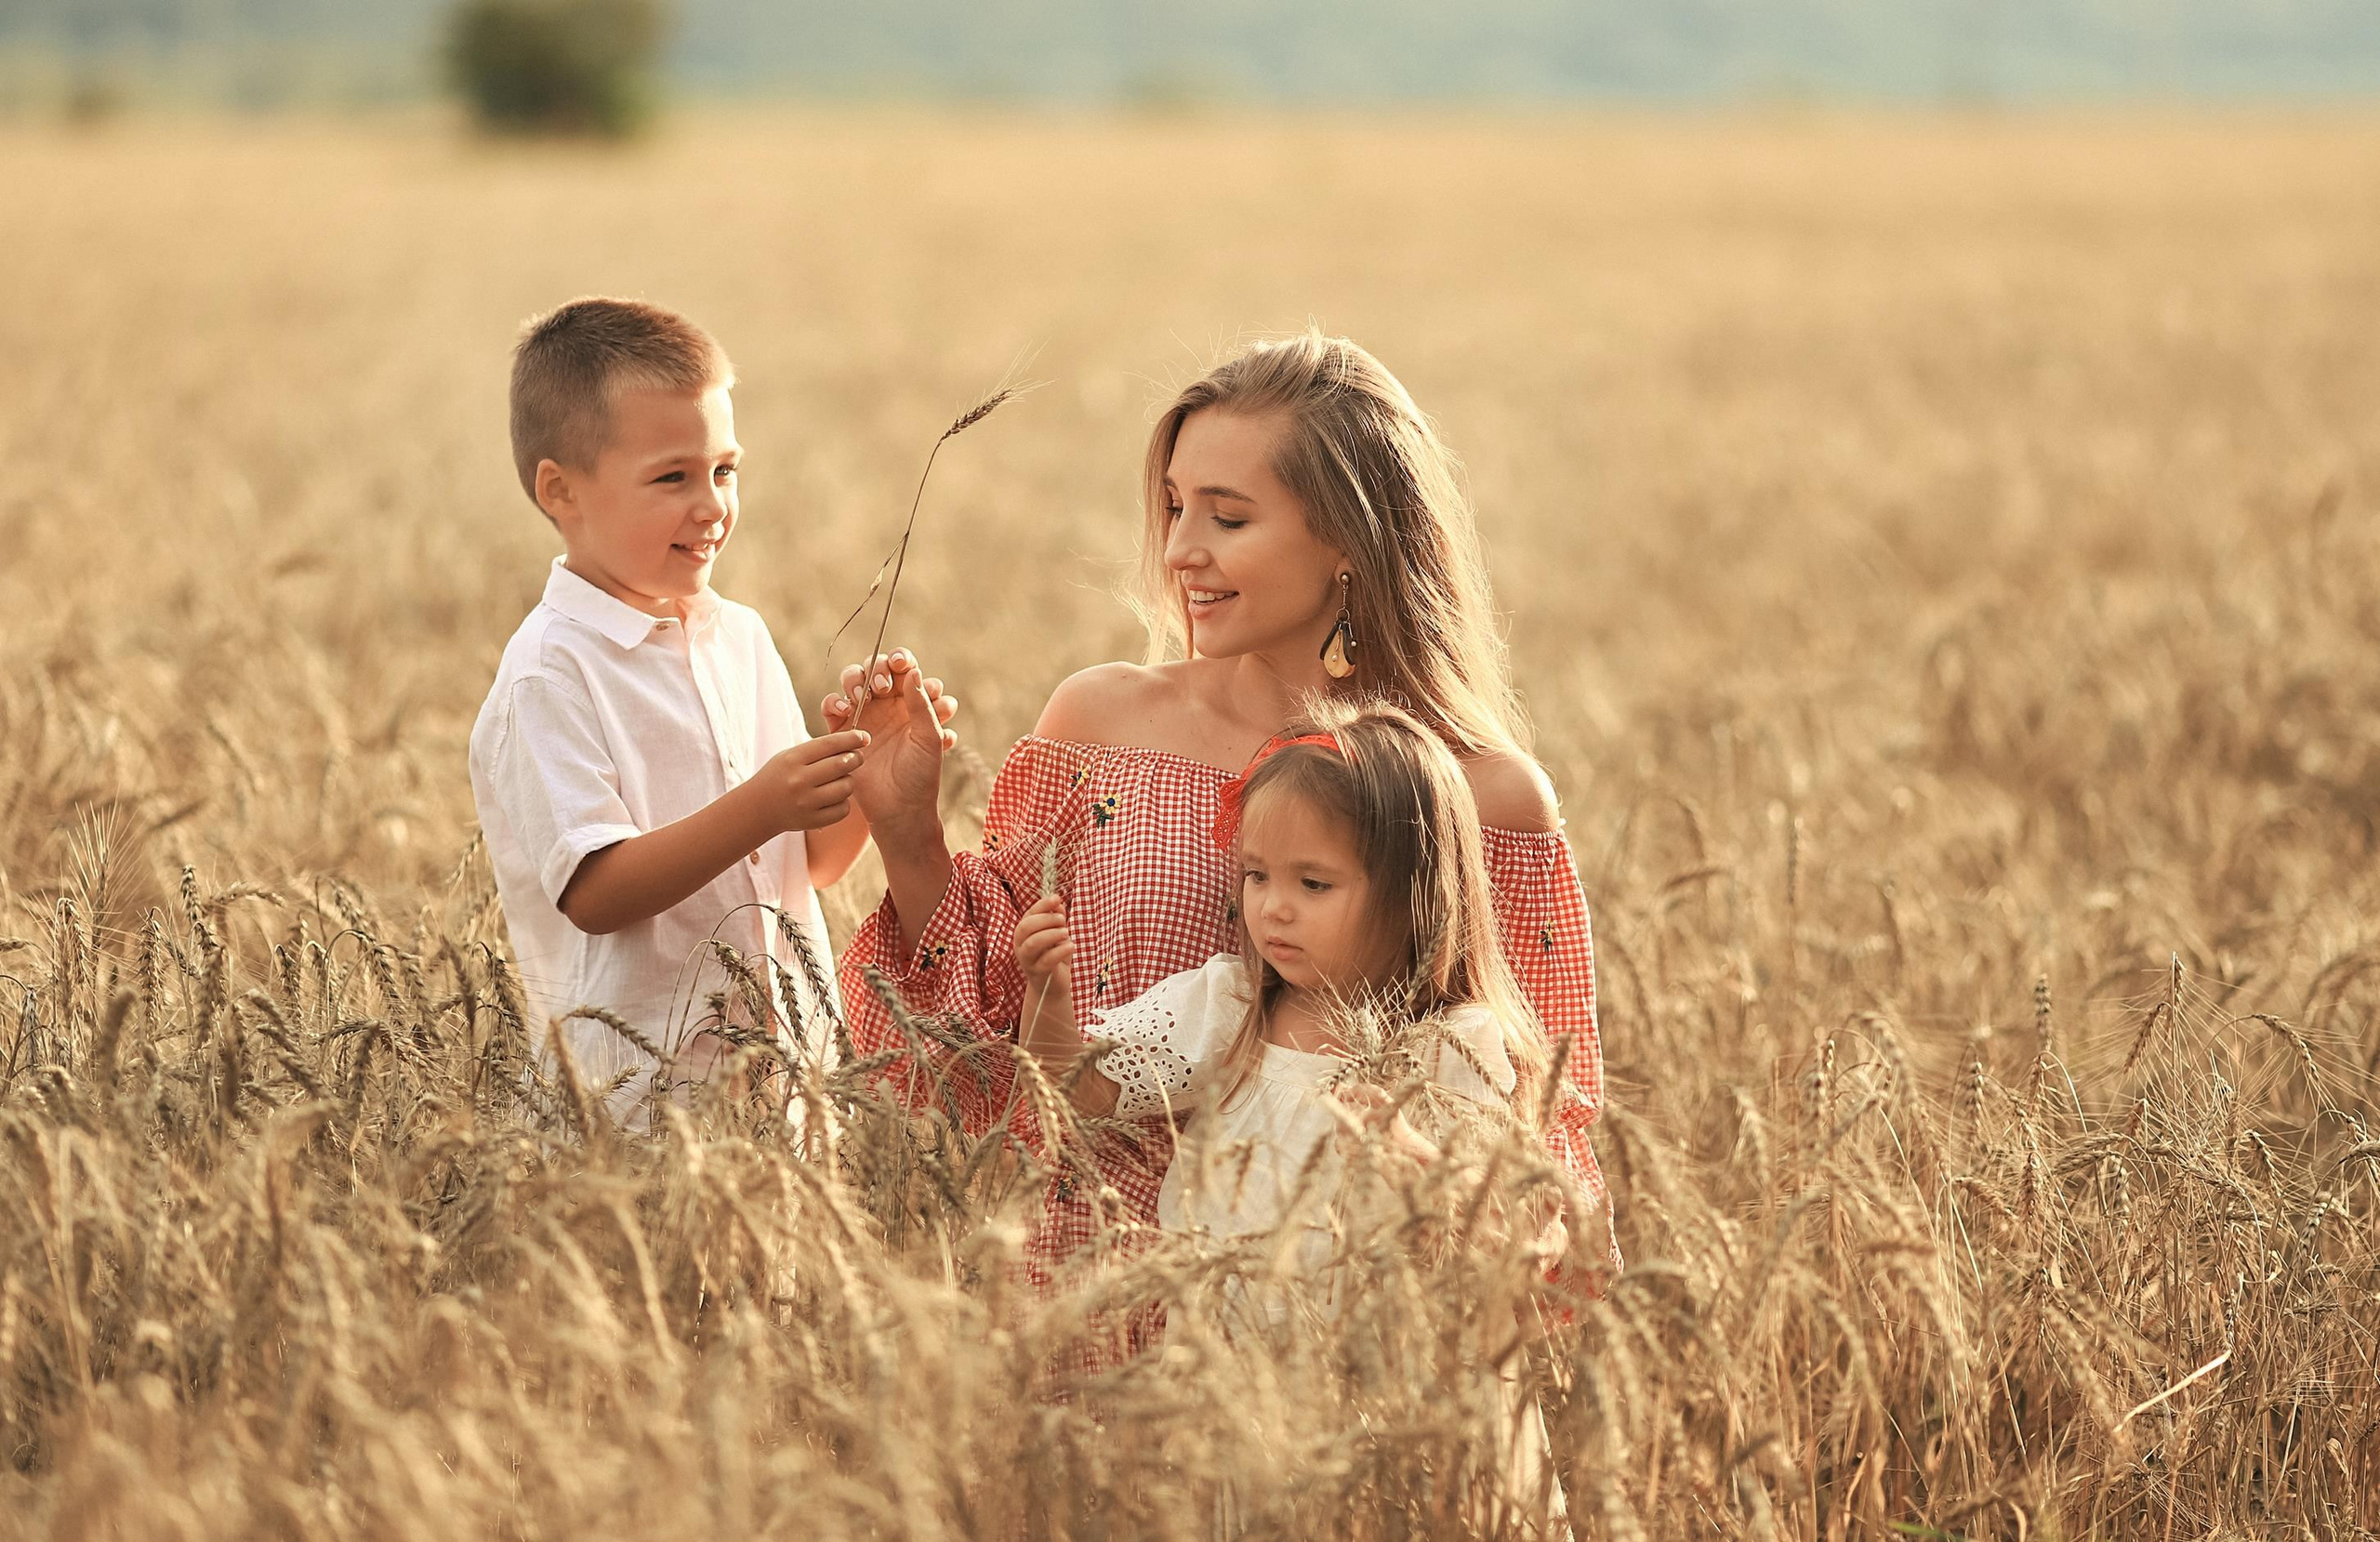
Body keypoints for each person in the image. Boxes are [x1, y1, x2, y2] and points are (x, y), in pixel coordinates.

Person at [835, 329, 1608, 1296]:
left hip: (1341, 1330)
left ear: (1346, 542)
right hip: (1084, 1300)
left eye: (1228, 519)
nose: (1180, 551)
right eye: (1171, 508)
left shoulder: (1476, 795)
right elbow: (988, 1021)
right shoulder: (1098, 723)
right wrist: (907, 833)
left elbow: (1540, 1133)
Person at [469, 297, 957, 1100]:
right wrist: (763, 805)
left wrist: (868, 782)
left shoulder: (740, 638)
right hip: (631, 1107)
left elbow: (810, 865)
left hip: (781, 1095)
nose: (713, 504)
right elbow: (596, 892)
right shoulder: (548, 673)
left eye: (725, 469)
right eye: (672, 477)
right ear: (561, 491)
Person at [1010, 702, 1540, 1279]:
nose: (1273, 908)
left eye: (1313, 883)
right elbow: (1075, 1097)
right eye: (1256, 876)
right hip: (1215, 1343)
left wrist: (1412, 1153)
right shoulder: (1232, 1008)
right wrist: (1047, 996)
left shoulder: (1449, 1044)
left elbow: (1492, 1227)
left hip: (1363, 1346)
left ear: (1414, 897)